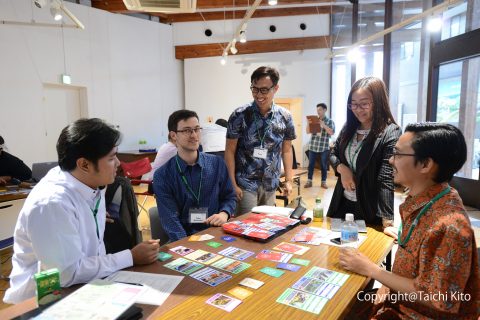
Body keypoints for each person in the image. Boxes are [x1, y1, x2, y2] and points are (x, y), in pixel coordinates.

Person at [4, 118, 159, 304]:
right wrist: (131, 257)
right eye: (111, 158)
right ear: (84, 164)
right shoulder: (52, 203)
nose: (118, 163)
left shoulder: (92, 183)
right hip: (42, 300)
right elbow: (67, 273)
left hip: (86, 287)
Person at [339, 122, 479, 319]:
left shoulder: (450, 226)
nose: (390, 160)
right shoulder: (429, 199)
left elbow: (441, 298)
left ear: (425, 164)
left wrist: (373, 270)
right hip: (397, 302)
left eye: (397, 154)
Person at [327, 77, 401, 228]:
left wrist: (387, 220)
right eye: (353, 104)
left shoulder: (390, 132)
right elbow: (333, 153)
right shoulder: (349, 127)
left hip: (368, 208)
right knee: (335, 248)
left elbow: (385, 178)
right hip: (342, 202)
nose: (358, 109)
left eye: (364, 104)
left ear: (378, 103)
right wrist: (342, 169)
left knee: (366, 251)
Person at [153, 110, 236, 242]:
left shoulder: (217, 164)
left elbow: (229, 196)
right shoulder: (163, 175)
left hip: (216, 233)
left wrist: (224, 213)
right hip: (183, 239)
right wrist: (190, 247)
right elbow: (170, 221)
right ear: (173, 135)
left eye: (197, 129)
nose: (194, 135)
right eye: (187, 130)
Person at [225, 66, 296, 215]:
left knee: (266, 226)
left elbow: (287, 150)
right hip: (245, 183)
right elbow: (230, 151)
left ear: (275, 88)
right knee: (246, 227)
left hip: (271, 183)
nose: (259, 95)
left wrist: (288, 180)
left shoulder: (285, 117)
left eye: (264, 90)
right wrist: (232, 183)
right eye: (255, 89)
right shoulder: (239, 115)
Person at [304, 103, 335, 189]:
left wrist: (323, 125)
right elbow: (307, 132)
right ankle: (309, 181)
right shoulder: (314, 120)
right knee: (311, 165)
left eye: (320, 110)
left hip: (324, 147)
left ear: (325, 110)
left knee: (324, 165)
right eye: (317, 110)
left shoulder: (330, 121)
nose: (318, 112)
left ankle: (323, 182)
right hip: (313, 146)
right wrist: (308, 123)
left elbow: (331, 132)